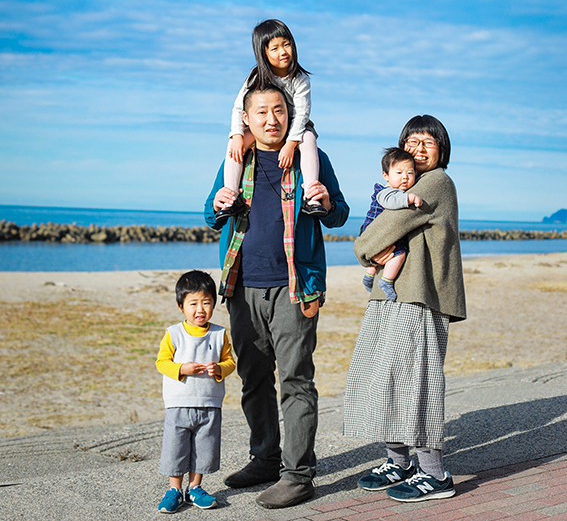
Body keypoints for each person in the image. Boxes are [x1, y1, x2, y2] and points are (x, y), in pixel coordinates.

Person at [204, 83, 349, 509]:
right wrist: (219, 202)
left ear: (291, 114)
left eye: (280, 110)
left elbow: (339, 213)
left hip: (295, 287)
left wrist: (325, 203)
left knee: (295, 381)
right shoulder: (236, 159)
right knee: (254, 380)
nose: (272, 119)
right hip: (241, 286)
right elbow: (210, 213)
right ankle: (265, 459)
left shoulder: (310, 158)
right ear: (246, 118)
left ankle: (298, 475)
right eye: (262, 112)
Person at [344, 116, 466, 503]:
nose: (419, 148)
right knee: (387, 377)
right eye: (411, 142)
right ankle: (399, 462)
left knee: (417, 382)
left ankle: (435, 474)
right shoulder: (405, 185)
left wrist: (362, 248)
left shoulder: (435, 182)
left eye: (428, 142)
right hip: (395, 294)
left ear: (442, 150)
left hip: (419, 295)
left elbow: (387, 225)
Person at [217, 19, 326, 226]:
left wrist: (290, 144)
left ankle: (311, 196)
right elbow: (239, 107)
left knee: (309, 139)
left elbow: (302, 113)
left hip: (294, 125)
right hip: (266, 127)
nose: (283, 51)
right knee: (233, 146)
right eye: (274, 48)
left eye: (287, 44)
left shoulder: (300, 79)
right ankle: (230, 197)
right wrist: (237, 134)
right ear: (263, 53)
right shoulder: (256, 76)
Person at [155, 270, 236, 513]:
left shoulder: (219, 334)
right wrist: (182, 368)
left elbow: (230, 362)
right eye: (193, 303)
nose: (200, 309)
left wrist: (219, 369)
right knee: (176, 448)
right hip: (179, 403)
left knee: (204, 448)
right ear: (181, 306)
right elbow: (162, 362)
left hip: (210, 403)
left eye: (206, 303)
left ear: (214, 304)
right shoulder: (174, 333)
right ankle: (174, 490)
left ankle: (195, 488)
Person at [360, 147, 423, 300]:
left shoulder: (392, 189)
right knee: (399, 253)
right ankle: (386, 281)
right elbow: (391, 201)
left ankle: (370, 274)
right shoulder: (387, 191)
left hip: (374, 231)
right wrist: (409, 198)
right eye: (399, 173)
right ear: (386, 176)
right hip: (378, 230)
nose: (405, 177)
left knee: (379, 252)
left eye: (410, 173)